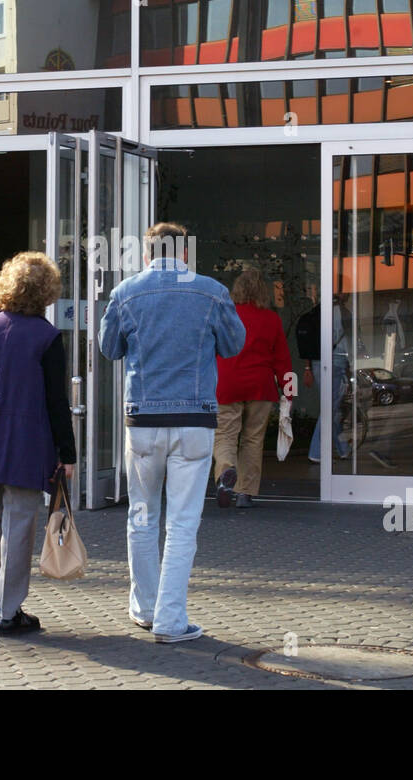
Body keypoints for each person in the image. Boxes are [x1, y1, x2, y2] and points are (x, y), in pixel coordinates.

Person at [99, 222, 244, 643]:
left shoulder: (126, 292)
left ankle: (144, 609)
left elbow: (109, 349)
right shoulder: (211, 291)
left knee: (141, 517)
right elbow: (234, 344)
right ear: (185, 253)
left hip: (143, 422)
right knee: (182, 524)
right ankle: (170, 621)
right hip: (193, 423)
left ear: (147, 254)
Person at [0, 252, 77, 633]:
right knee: (19, 522)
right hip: (24, 443)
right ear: (46, 292)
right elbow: (57, 402)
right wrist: (68, 453)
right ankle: (10, 611)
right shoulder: (46, 337)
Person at [214, 268, 292, 509]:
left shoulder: (225, 316)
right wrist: (289, 391)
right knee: (253, 440)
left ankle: (226, 471)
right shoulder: (272, 319)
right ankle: (245, 493)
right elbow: (282, 359)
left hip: (227, 383)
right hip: (261, 385)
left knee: (225, 435)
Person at [301, 299, 357, 465]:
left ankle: (343, 448)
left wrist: (307, 368)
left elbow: (310, 343)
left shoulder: (318, 311)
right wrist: (352, 365)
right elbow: (349, 340)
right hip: (336, 361)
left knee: (332, 408)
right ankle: (316, 451)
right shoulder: (343, 312)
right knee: (330, 408)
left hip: (317, 363)